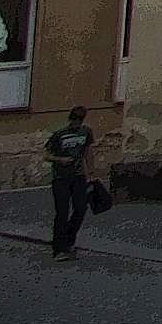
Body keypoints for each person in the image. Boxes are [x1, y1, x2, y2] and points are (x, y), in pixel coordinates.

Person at [45, 105, 94, 258]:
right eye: (74, 122)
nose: (76, 125)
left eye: (79, 122)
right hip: (60, 178)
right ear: (70, 120)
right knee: (62, 212)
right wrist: (60, 159)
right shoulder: (60, 134)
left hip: (78, 176)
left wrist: (91, 173)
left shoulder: (86, 132)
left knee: (81, 208)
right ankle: (59, 248)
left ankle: (69, 240)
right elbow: (46, 155)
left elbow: (87, 152)